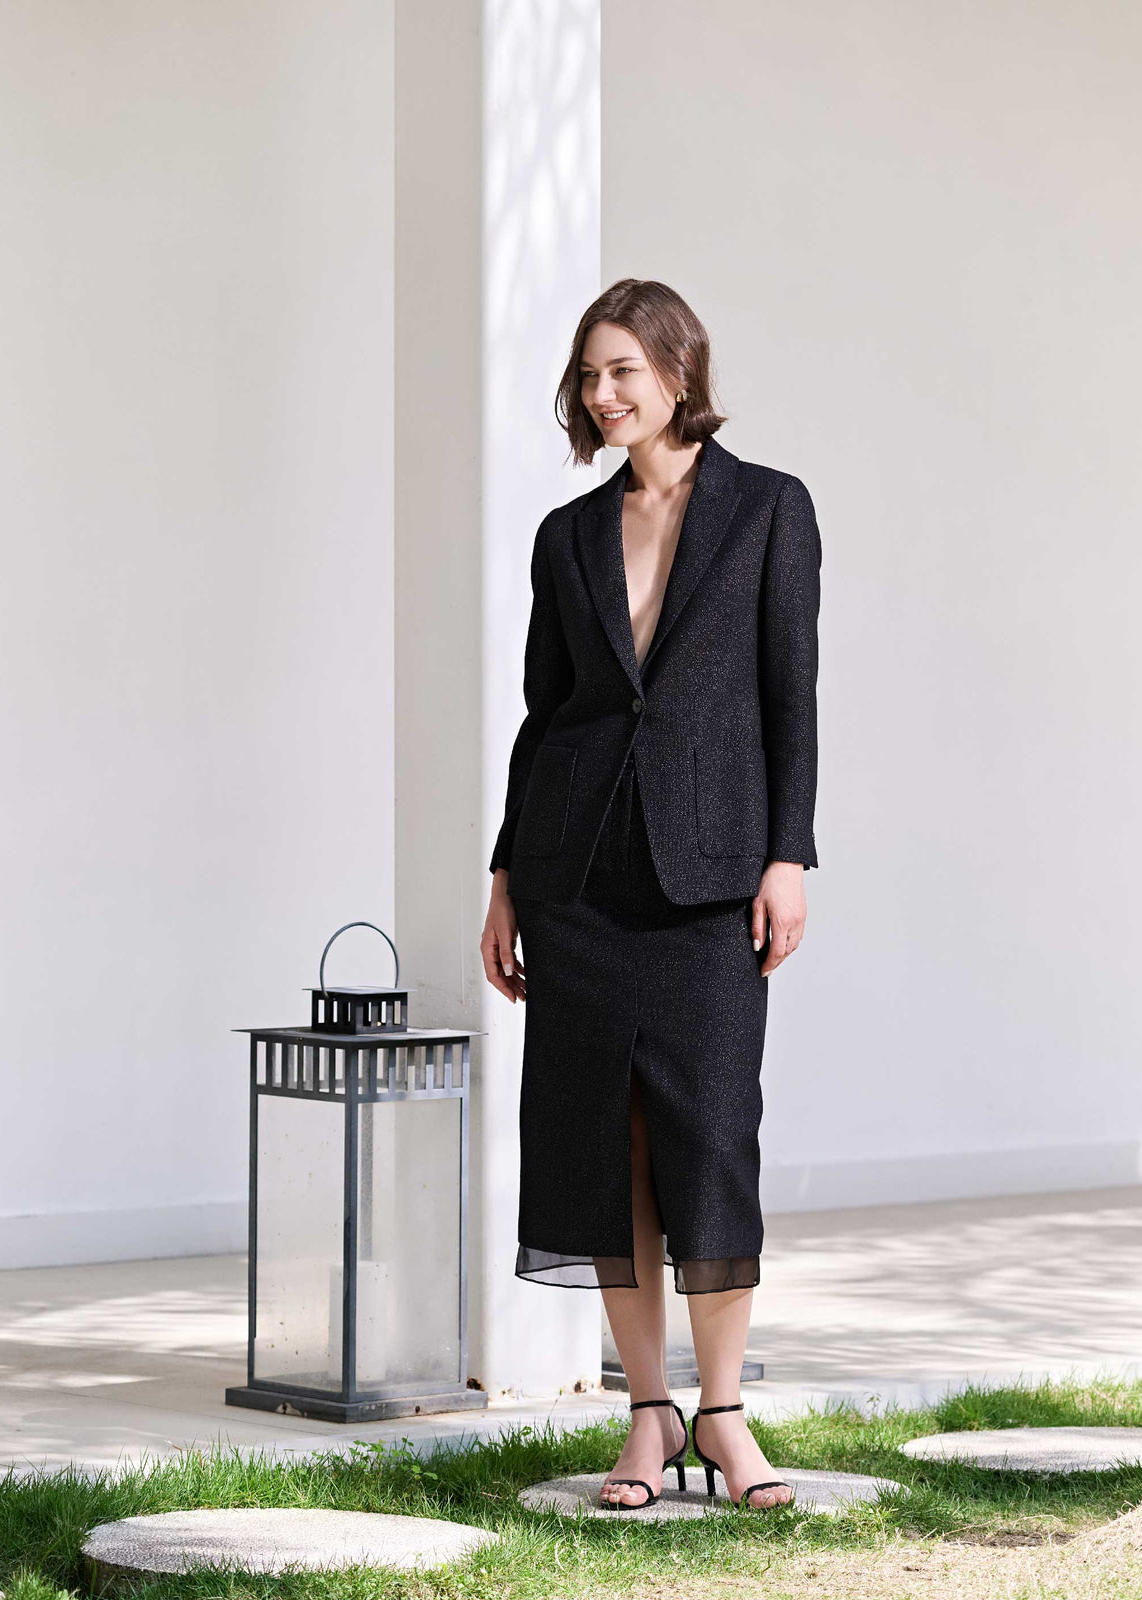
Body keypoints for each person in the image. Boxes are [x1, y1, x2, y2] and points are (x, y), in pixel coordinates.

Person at [480, 278, 821, 1511]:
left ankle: (723, 1416)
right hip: (575, 877)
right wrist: (506, 875)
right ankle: (647, 1414)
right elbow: (546, 716)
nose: (603, 392)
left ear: (680, 371)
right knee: (602, 1145)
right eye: (588, 374)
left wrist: (788, 855)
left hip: (711, 877)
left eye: (622, 369)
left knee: (713, 1139)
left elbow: (790, 696)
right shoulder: (566, 535)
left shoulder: (769, 509)